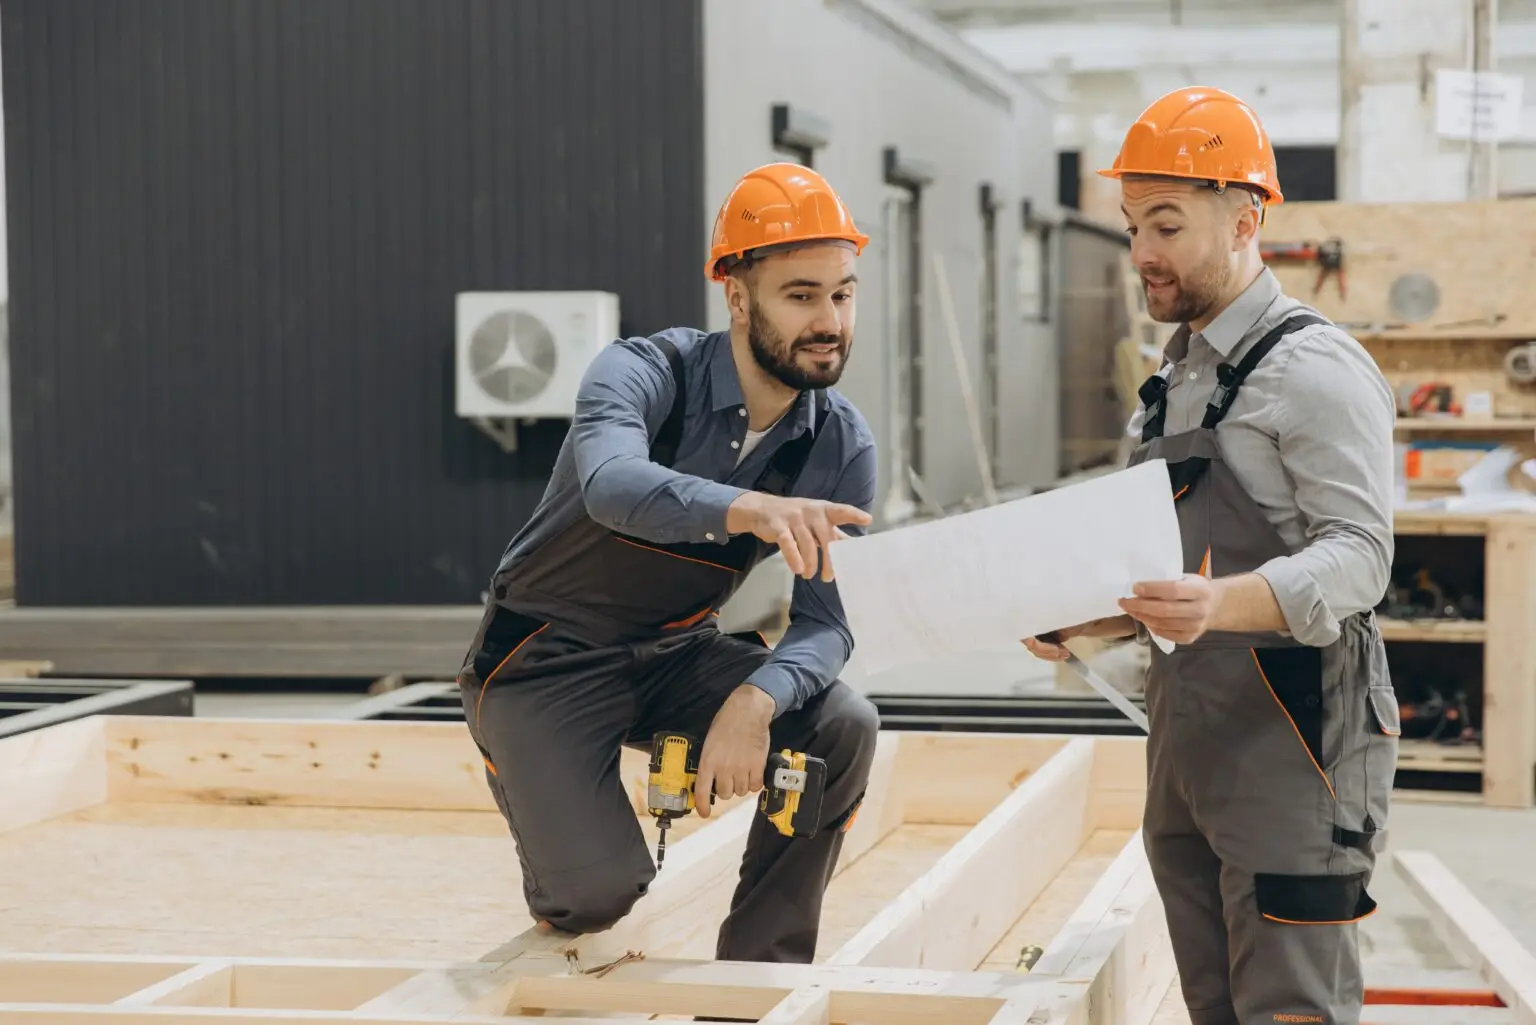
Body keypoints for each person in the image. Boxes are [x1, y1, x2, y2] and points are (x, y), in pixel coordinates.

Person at [1023, 87, 1400, 1025]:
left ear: (1244, 221)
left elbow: (1361, 557)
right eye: (1132, 226)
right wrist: (1089, 616)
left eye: (1166, 225)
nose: (1141, 253)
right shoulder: (1175, 376)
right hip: (1188, 744)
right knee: (1213, 1004)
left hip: (1296, 749)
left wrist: (1218, 605)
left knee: (1289, 1004)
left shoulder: (1313, 370)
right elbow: (1163, 560)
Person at [455, 161, 881, 967]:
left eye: (843, 293)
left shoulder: (838, 442)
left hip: (676, 653)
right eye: (801, 296)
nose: (829, 321)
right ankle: (524, 764)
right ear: (738, 296)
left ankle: (755, 976)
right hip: (542, 659)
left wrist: (755, 700)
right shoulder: (644, 373)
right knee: (597, 895)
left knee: (840, 724)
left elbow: (827, 624)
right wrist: (751, 507)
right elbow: (613, 486)